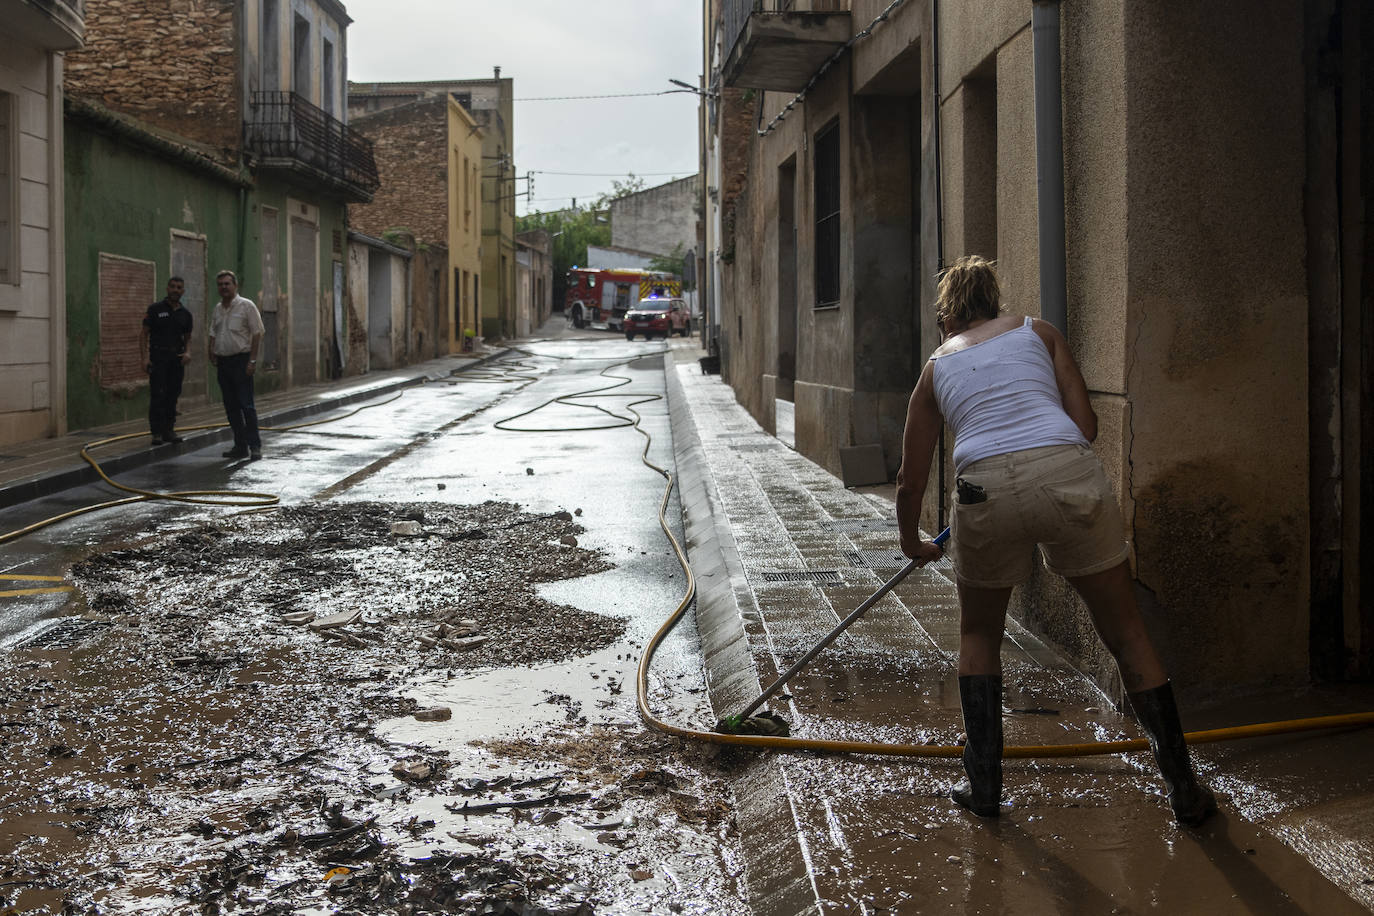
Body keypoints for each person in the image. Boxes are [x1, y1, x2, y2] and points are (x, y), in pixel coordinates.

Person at [895, 255, 1216, 827]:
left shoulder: (936, 367)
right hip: (1066, 472)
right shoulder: (1037, 332)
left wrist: (913, 541)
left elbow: (911, 476)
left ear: (948, 320)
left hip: (982, 489)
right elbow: (1086, 426)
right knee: (1126, 632)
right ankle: (1184, 788)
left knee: (978, 634)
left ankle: (986, 790)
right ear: (995, 304)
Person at [208, 270, 265, 461]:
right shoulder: (217, 308)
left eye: (227, 284)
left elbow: (257, 333)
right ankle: (240, 446)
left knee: (246, 406)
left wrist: (252, 361)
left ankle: (254, 446)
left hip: (242, 361)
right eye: (220, 284)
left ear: (235, 285)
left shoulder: (246, 306)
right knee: (230, 407)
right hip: (223, 363)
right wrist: (212, 350)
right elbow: (213, 332)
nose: (223, 287)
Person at [140, 277, 193, 445]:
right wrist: (144, 358)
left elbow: (188, 338)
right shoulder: (155, 309)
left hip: (176, 360)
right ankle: (156, 432)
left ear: (183, 291)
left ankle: (169, 430)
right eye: (173, 287)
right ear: (167, 288)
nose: (175, 290)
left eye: (179, 288)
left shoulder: (186, 314)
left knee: (173, 395)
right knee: (158, 395)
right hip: (158, 358)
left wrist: (188, 352)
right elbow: (143, 334)